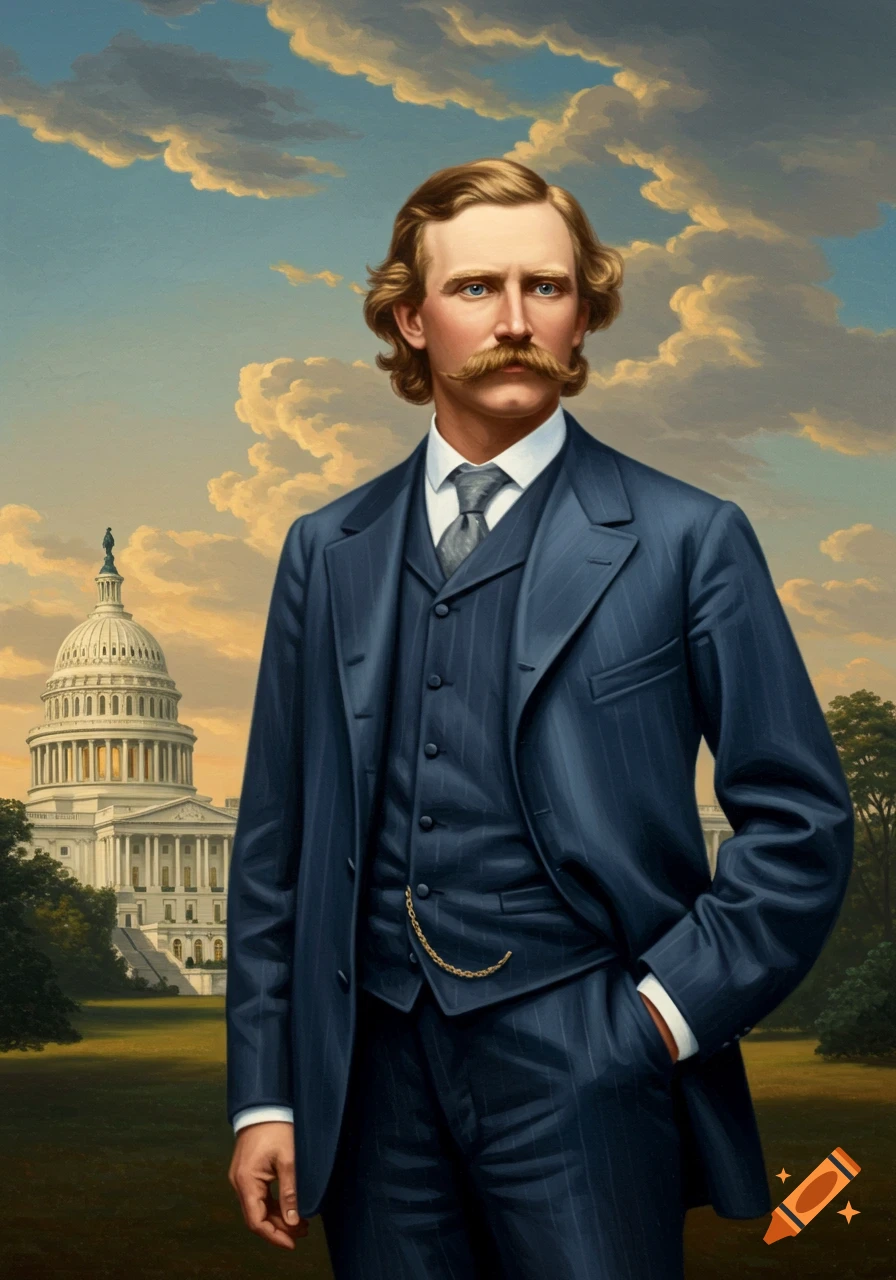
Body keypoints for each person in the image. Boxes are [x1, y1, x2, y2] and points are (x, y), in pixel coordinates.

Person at [225, 158, 854, 1278]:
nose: (514, 320)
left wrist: (657, 1017)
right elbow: (274, 844)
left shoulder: (686, 536)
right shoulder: (325, 549)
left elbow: (799, 821)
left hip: (591, 1056)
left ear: (582, 315)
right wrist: (265, 1090)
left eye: (546, 288)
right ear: (409, 318)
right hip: (367, 1070)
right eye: (475, 290)